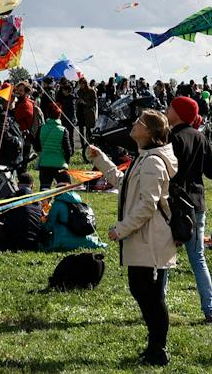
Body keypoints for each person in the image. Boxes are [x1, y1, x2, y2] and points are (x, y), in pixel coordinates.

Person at [86, 111, 180, 367]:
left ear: (149, 132)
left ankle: (158, 350)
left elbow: (147, 204)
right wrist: (101, 161)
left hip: (151, 239)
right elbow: (124, 183)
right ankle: (154, 346)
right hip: (143, 238)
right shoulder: (144, 158)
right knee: (143, 291)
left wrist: (122, 229)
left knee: (149, 294)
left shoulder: (153, 162)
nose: (134, 124)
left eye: (139, 122)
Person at [165, 95, 212, 324]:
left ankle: (159, 307)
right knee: (197, 258)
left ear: (178, 112)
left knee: (164, 258)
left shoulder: (171, 138)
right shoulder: (200, 137)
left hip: (174, 205)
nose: (167, 110)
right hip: (197, 204)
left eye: (170, 107)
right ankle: (210, 311)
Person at [37, 101, 72, 190]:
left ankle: (44, 204)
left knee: (44, 191)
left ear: (47, 114)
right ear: (60, 115)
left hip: (44, 164)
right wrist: (66, 162)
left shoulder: (41, 128)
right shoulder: (63, 130)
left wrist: (42, 154)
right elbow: (68, 150)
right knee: (65, 190)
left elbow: (36, 145)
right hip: (59, 164)